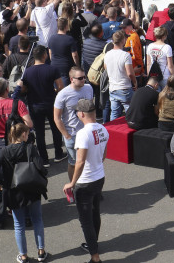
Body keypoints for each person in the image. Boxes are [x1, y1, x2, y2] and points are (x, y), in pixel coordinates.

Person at [0, 123, 49, 263]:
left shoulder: (5, 151)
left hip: (14, 192)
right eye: (28, 134)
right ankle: (41, 251)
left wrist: (0, 182)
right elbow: (41, 167)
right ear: (23, 134)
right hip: (32, 189)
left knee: (18, 225)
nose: (28, 136)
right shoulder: (31, 148)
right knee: (37, 220)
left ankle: (23, 256)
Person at [0, 79, 33, 229]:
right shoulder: (18, 104)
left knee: (0, 184)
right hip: (16, 145)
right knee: (21, 181)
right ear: (7, 89)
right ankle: (26, 215)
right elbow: (29, 124)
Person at [63, 98, 108, 263]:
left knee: (86, 220)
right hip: (99, 177)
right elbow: (103, 155)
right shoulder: (103, 129)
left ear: (81, 114)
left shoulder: (82, 134)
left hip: (85, 182)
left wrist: (72, 183)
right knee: (95, 214)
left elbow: (79, 162)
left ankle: (95, 257)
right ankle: (93, 244)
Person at [18, 45, 65, 166]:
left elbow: (23, 90)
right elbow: (60, 87)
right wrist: (54, 92)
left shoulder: (27, 72)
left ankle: (44, 159)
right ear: (45, 55)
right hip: (51, 104)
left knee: (39, 133)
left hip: (35, 105)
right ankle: (58, 154)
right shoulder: (52, 69)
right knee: (56, 129)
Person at [53, 67, 94, 181]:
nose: (83, 80)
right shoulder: (62, 94)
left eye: (84, 77)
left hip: (87, 132)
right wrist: (67, 136)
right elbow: (56, 118)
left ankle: (89, 187)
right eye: (80, 78)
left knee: (89, 163)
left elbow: (90, 110)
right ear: (72, 79)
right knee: (74, 163)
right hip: (73, 134)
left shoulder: (89, 88)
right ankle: (73, 186)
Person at [104, 30, 137, 120]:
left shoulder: (107, 54)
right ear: (123, 41)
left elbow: (106, 68)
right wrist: (135, 82)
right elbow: (130, 73)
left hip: (113, 88)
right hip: (124, 87)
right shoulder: (126, 55)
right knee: (130, 113)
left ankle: (112, 132)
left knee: (114, 113)